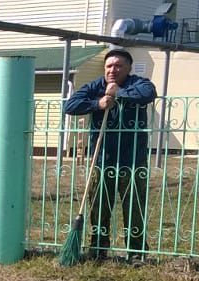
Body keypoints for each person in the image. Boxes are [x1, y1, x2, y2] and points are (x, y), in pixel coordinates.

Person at [63, 48, 158, 262]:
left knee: (133, 208)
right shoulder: (95, 86)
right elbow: (70, 106)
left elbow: (149, 93)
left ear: (128, 68)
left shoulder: (137, 83)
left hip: (132, 159)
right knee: (99, 206)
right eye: (108, 66)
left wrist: (118, 93)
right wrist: (98, 103)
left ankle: (136, 253)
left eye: (118, 66)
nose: (112, 70)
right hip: (103, 159)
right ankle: (98, 249)